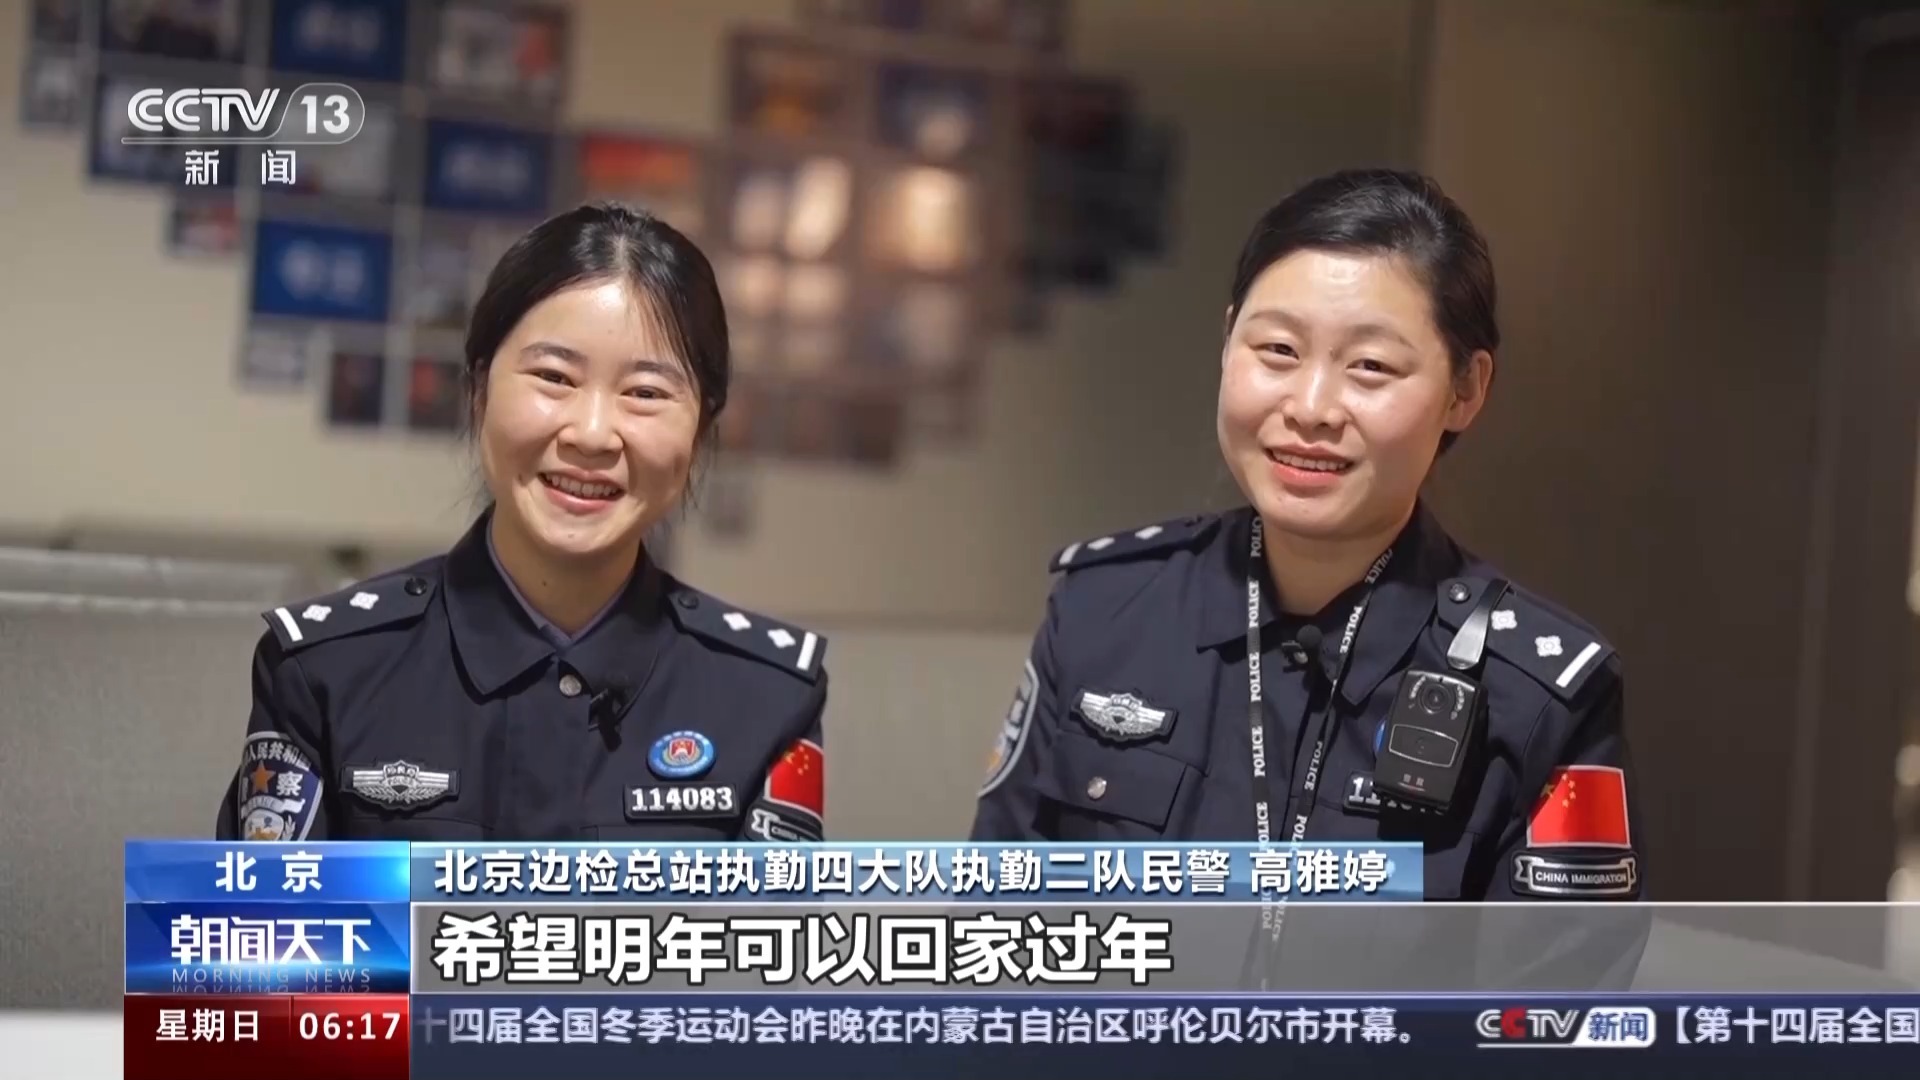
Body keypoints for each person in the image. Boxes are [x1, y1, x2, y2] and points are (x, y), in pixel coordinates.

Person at [971, 169, 1645, 912]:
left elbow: (1550, 986)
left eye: (1371, 366)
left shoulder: (1540, 697)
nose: (1312, 408)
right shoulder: (1103, 611)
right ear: (1228, 341)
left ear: (1465, 390)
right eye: (1278, 351)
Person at [215, 203, 827, 844]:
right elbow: (262, 907)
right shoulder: (327, 669)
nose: (592, 434)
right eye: (554, 377)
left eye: (645, 393)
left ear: (701, 430)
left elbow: (773, 911)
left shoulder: (768, 695)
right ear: (479, 389)